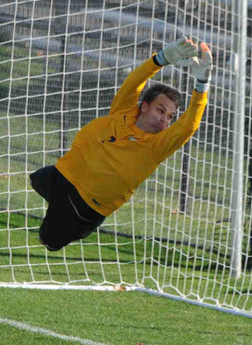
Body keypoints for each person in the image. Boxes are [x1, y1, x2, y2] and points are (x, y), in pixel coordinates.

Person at [30, 37, 213, 251]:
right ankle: (54, 201)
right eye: (160, 110)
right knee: (36, 179)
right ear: (144, 106)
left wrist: (202, 85)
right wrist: (160, 59)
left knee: (48, 241)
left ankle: (63, 227)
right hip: (64, 175)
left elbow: (188, 126)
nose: (164, 119)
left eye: (170, 117)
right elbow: (135, 81)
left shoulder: (156, 147)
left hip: (84, 204)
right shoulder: (123, 110)